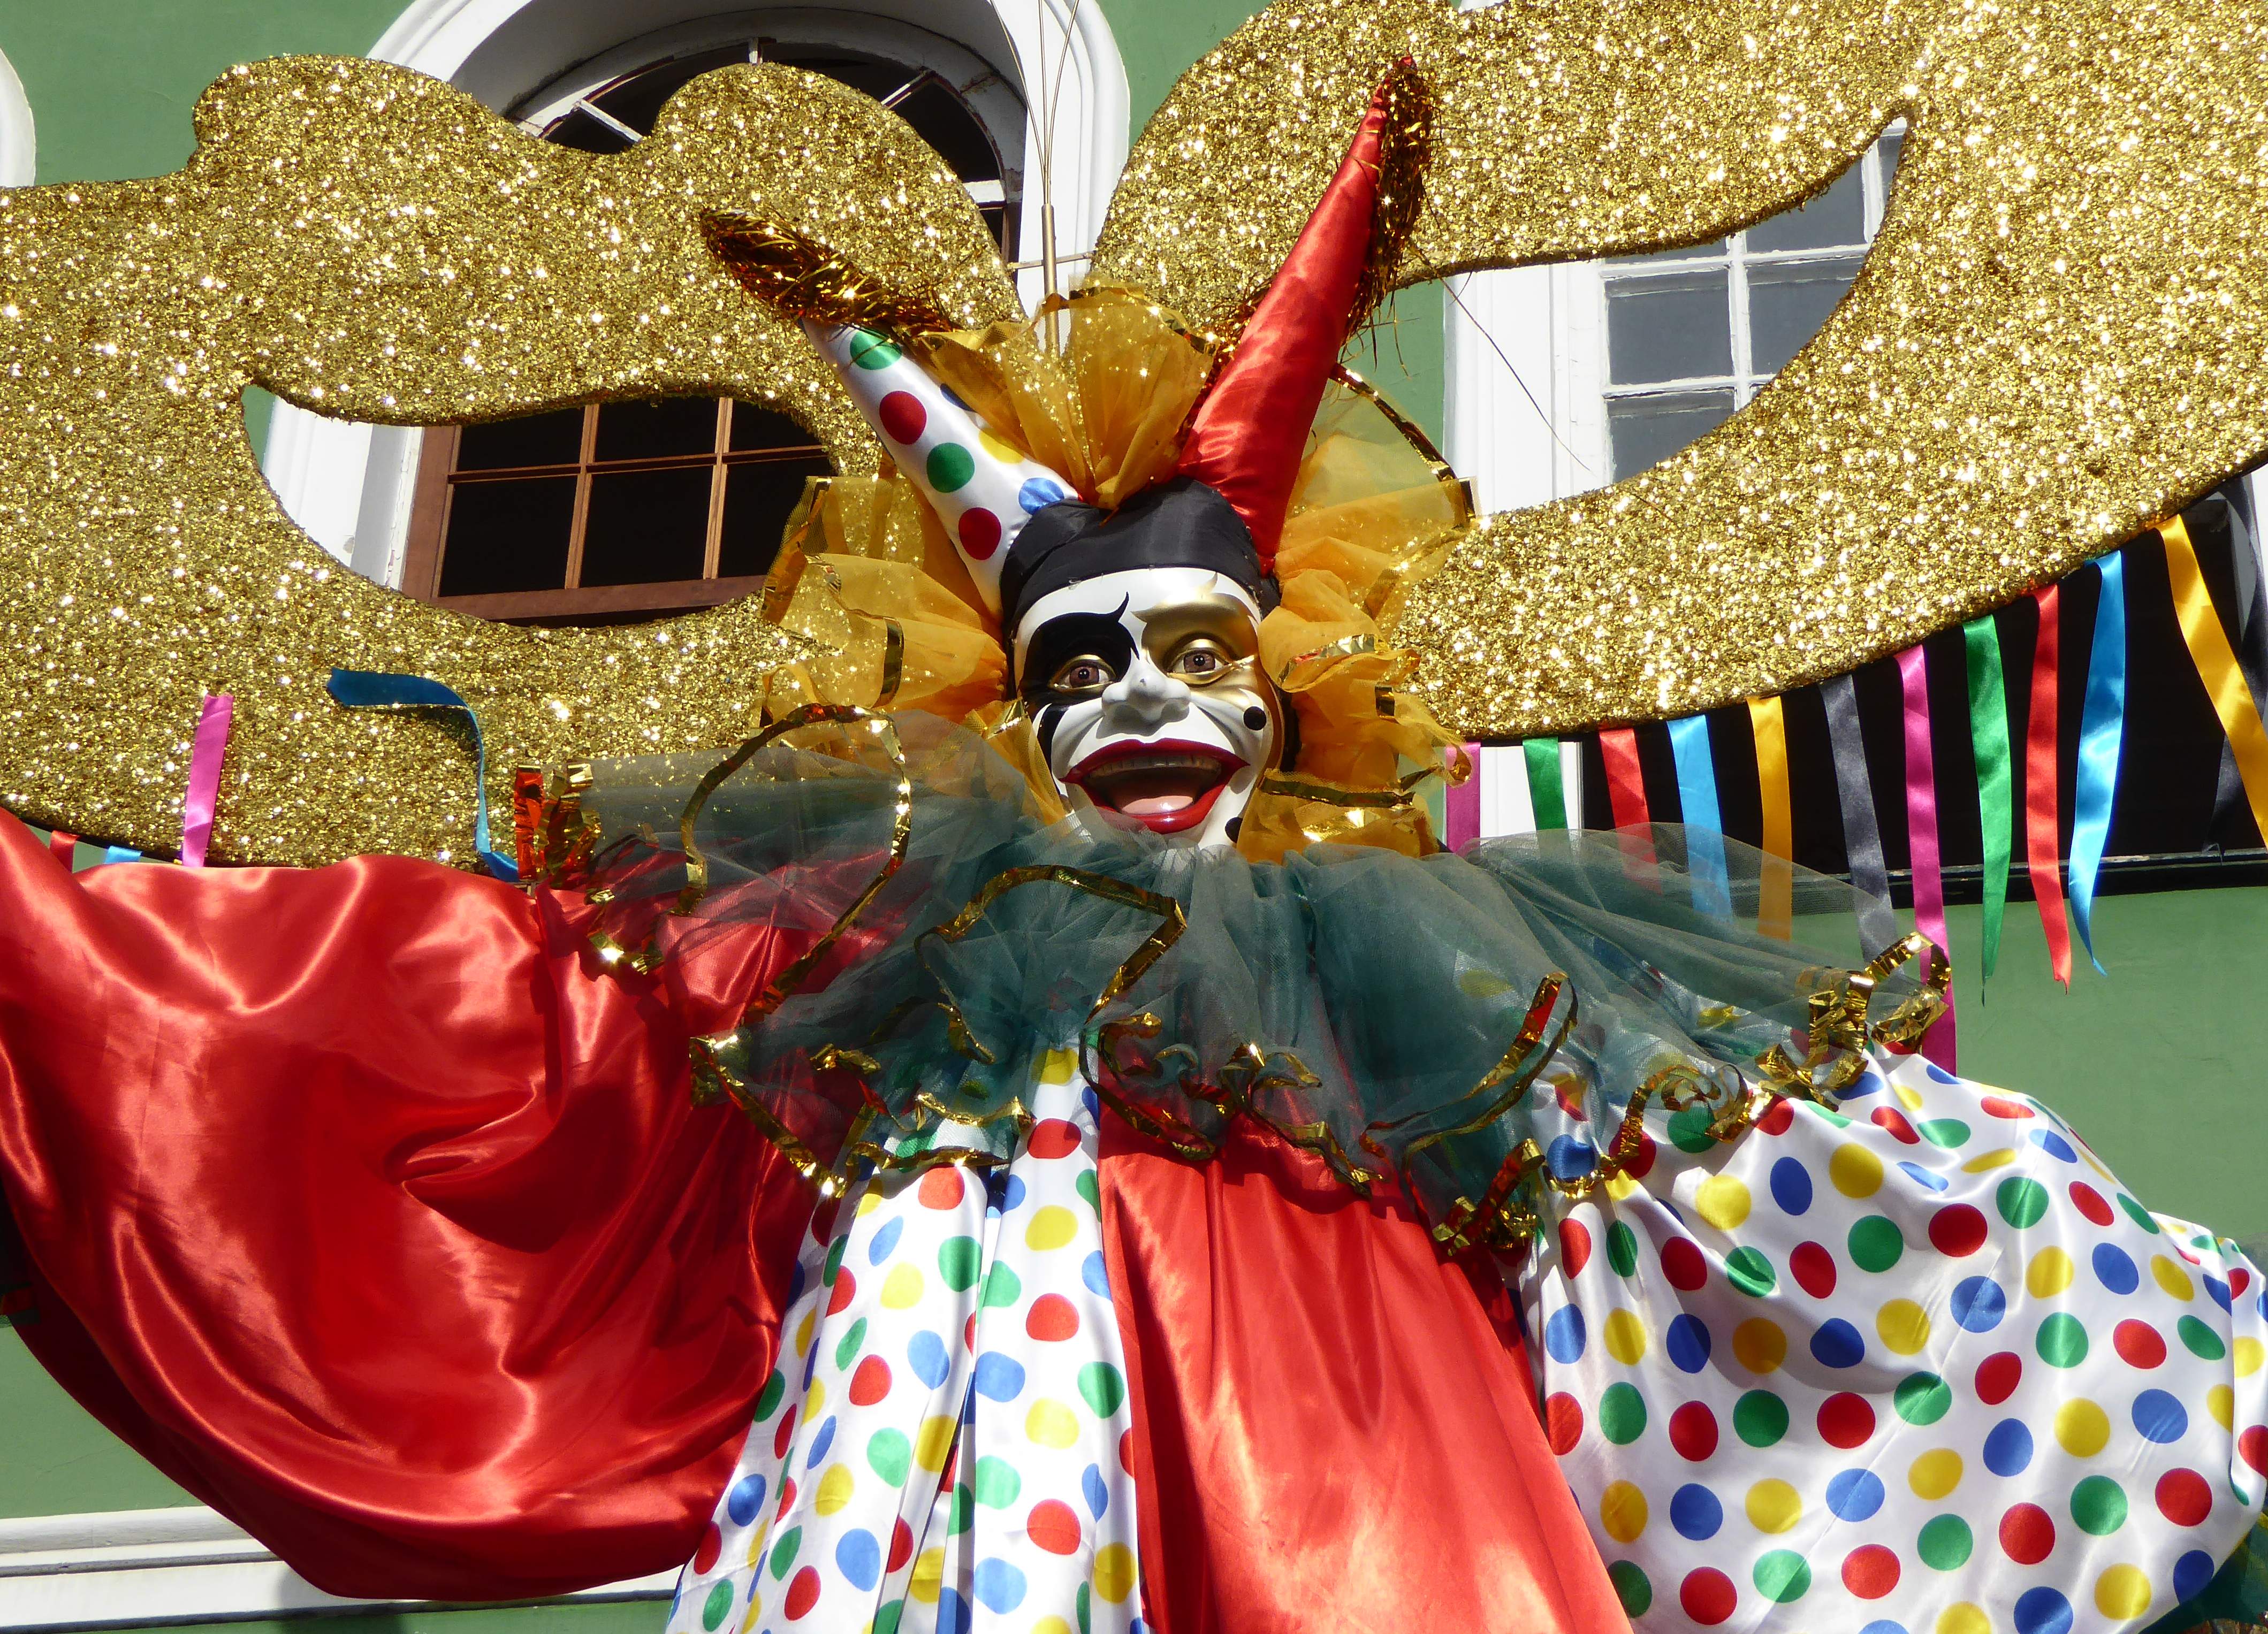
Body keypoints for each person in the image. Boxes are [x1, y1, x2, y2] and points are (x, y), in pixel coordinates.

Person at [2, 66, 2263, 1634]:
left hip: (1379, 1479)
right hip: (982, 1468)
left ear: (1283, 686)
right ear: (1014, 705)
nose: (1151, 711)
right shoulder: (879, 934)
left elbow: (1733, 1223)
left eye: (1197, 654)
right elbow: (495, 1031)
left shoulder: (1441, 957)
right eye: (1089, 672)